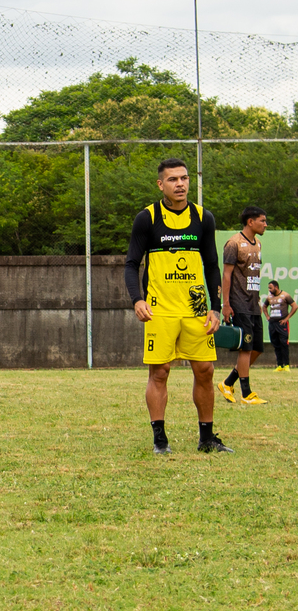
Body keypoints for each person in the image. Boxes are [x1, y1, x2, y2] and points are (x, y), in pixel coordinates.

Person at [124, 158, 229, 454]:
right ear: (161, 185)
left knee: (205, 370)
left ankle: (207, 439)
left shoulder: (203, 218)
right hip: (160, 309)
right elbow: (131, 264)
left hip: (196, 308)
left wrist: (216, 307)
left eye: (184, 178)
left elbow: (212, 265)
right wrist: (137, 299)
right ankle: (160, 441)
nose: (180, 184)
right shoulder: (147, 218)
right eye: (172, 179)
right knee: (159, 372)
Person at [217, 207, 269, 404]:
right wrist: (226, 304)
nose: (265, 225)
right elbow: (226, 275)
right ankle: (246, 393)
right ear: (250, 222)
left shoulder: (258, 244)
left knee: (257, 348)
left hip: (254, 304)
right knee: (245, 348)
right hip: (239, 303)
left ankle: (228, 383)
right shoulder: (234, 243)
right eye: (262, 221)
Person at [263, 280, 296, 372]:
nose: (269, 290)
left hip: (282, 324)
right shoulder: (269, 297)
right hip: (272, 323)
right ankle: (280, 365)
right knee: (275, 344)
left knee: (284, 343)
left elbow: (294, 306)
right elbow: (264, 307)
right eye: (268, 288)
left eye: (271, 288)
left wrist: (286, 318)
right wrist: (267, 317)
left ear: (276, 287)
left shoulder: (285, 295)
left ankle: (287, 365)